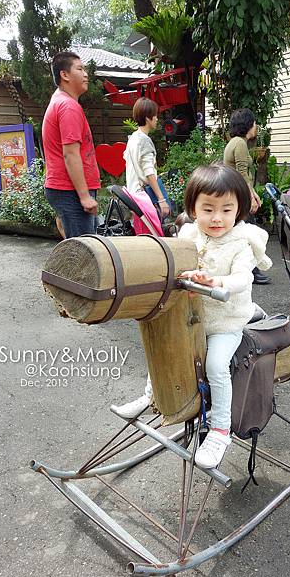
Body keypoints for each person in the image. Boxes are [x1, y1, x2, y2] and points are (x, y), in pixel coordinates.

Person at [115, 163, 272, 468]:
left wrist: (217, 282)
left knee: (215, 365)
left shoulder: (242, 242)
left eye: (227, 210)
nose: (217, 218)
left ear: (238, 209)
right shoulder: (188, 233)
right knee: (164, 347)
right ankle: (152, 398)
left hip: (225, 321)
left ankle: (220, 430)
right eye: (208, 209)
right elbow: (170, 260)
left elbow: (244, 277)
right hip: (193, 318)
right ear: (193, 208)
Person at [43, 51, 100, 238]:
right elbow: (70, 154)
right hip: (70, 191)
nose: (86, 74)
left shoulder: (59, 101)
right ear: (64, 75)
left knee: (76, 251)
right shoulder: (68, 106)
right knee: (83, 255)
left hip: (67, 190)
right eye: (80, 69)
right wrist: (84, 196)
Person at [223, 108, 271, 285]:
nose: (256, 126)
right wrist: (251, 197)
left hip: (235, 192)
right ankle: (253, 270)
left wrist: (254, 193)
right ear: (248, 125)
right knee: (249, 233)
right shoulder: (240, 144)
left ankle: (248, 269)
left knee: (240, 232)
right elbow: (242, 173)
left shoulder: (234, 142)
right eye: (254, 123)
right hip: (238, 195)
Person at [124, 97, 170, 219]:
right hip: (146, 197)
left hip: (134, 195)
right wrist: (161, 199)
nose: (156, 118)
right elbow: (149, 172)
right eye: (154, 115)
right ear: (147, 118)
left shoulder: (133, 138)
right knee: (155, 232)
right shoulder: (144, 140)